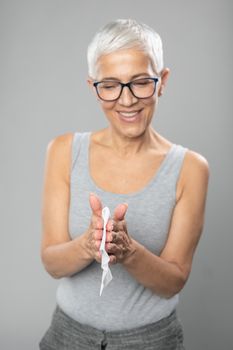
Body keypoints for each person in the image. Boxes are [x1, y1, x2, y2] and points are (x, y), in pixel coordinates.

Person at [39, 18, 209, 350]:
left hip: (151, 340)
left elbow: (174, 280)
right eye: (111, 85)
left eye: (141, 82)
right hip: (67, 337)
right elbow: (51, 261)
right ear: (93, 87)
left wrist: (128, 251)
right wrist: (88, 245)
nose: (127, 100)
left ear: (162, 82)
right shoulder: (62, 151)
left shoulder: (190, 168)